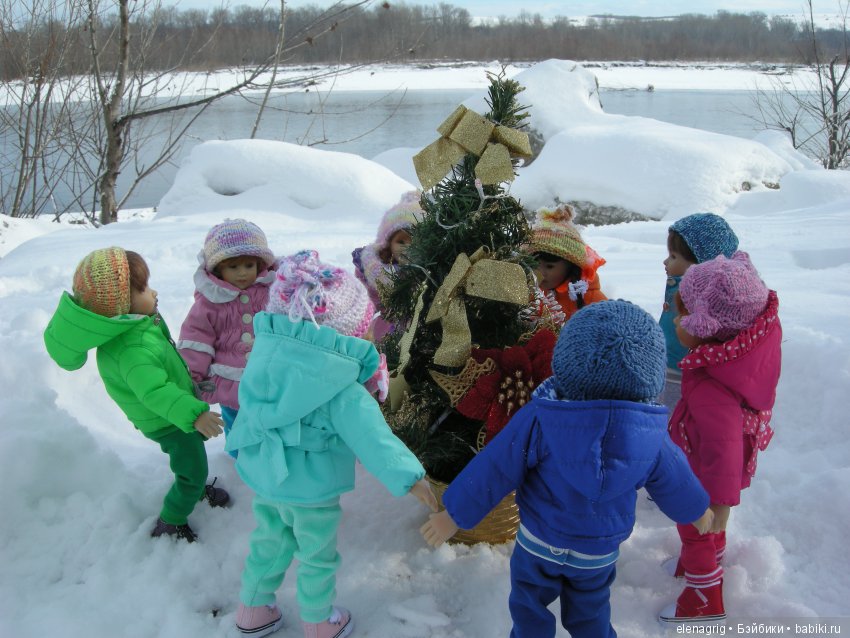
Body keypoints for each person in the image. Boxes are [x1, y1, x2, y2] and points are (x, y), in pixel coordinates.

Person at [421, 300, 713, 638]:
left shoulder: (542, 417)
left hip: (541, 539)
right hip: (597, 549)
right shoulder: (650, 435)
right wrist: (696, 509)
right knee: (591, 613)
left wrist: (453, 513)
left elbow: (496, 465)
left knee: (529, 605)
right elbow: (674, 478)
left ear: (568, 362)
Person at [227, 250, 438, 638]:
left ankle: (253, 610)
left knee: (269, 540)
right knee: (316, 556)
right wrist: (411, 478)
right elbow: (374, 440)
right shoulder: (341, 385)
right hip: (311, 488)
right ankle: (319, 621)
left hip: (267, 475)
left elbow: (248, 406)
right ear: (348, 330)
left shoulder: (265, 354)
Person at [43, 247, 229, 543]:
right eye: (143, 289)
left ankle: (194, 484)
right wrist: (194, 413)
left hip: (171, 411)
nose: (154, 293)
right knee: (191, 469)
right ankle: (172, 519)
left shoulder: (134, 326)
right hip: (167, 420)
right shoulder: (131, 349)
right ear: (121, 304)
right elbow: (155, 391)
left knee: (191, 460)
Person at [659, 251, 781, 625]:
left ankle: (703, 595)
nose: (678, 322)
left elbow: (722, 445)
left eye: (685, 317)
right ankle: (704, 558)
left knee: (695, 524)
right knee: (709, 525)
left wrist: (704, 503)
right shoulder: (738, 358)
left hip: (705, 474)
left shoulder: (714, 388)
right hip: (710, 462)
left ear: (709, 329)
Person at [178, 219, 276, 456]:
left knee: (273, 420)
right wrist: (192, 378)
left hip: (272, 375)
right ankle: (242, 459)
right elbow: (197, 342)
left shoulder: (273, 291)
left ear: (260, 264)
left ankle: (272, 453)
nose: (242, 273)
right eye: (233, 267)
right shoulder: (210, 302)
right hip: (231, 382)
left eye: (249, 265)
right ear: (218, 268)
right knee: (237, 424)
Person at [659, 212, 739, 411]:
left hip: (682, 370)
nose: (666, 262)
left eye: (674, 256)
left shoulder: (704, 297)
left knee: (671, 414)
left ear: (701, 264)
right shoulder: (678, 284)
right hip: (665, 364)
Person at [351, 190, 422, 342]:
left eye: (413, 241)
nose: (406, 248)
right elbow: (364, 303)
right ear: (388, 243)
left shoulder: (428, 272)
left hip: (419, 330)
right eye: (400, 242)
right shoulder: (372, 269)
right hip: (383, 330)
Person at [525, 204, 607, 323]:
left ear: (571, 267)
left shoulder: (593, 301)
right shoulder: (529, 293)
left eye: (549, 266)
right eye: (534, 264)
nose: (540, 272)